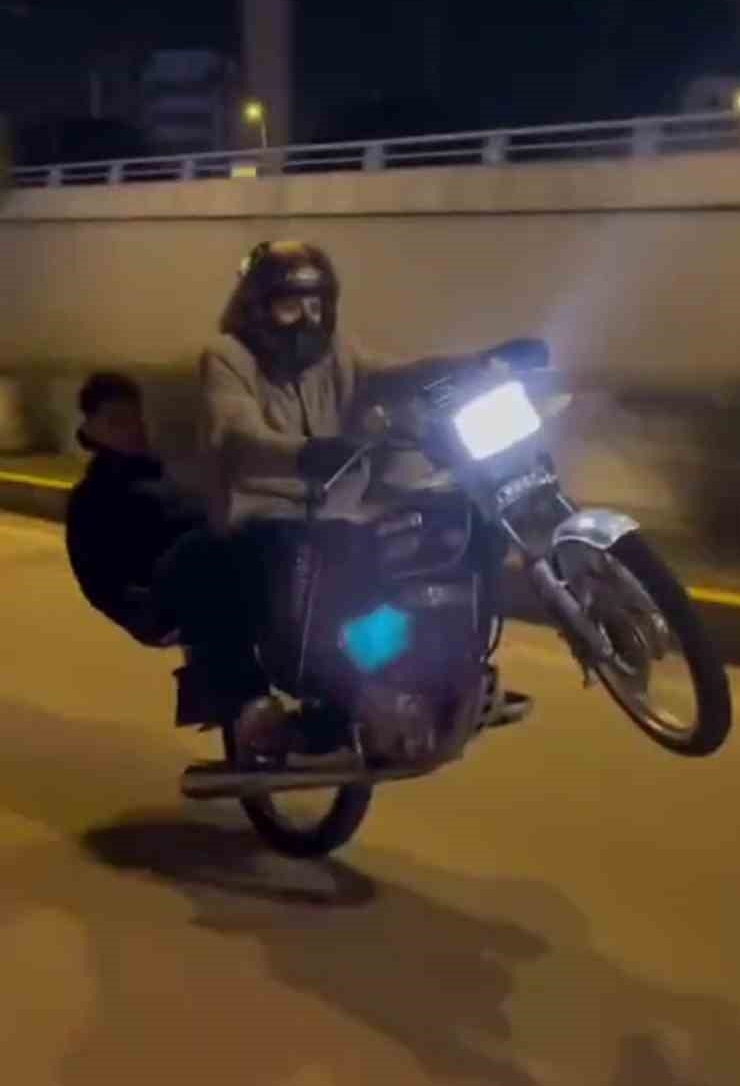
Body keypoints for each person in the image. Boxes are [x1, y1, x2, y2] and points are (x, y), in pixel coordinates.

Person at [199, 240, 473, 756]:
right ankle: (338, 701)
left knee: (418, 548)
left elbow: (393, 375)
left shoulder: (338, 355)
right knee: (319, 607)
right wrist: (304, 454)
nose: (307, 319)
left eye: (316, 304)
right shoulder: (228, 358)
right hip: (266, 513)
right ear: (257, 306)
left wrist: (470, 365)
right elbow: (236, 431)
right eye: (290, 305)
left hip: (340, 511)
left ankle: (423, 673)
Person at [65, 372, 267, 727]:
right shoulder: (92, 498)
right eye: (116, 421)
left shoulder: (164, 473)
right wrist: (137, 602)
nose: (132, 429)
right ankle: (246, 703)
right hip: (150, 601)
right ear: (91, 429)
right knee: (201, 549)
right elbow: (99, 578)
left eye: (135, 417)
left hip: (201, 576)